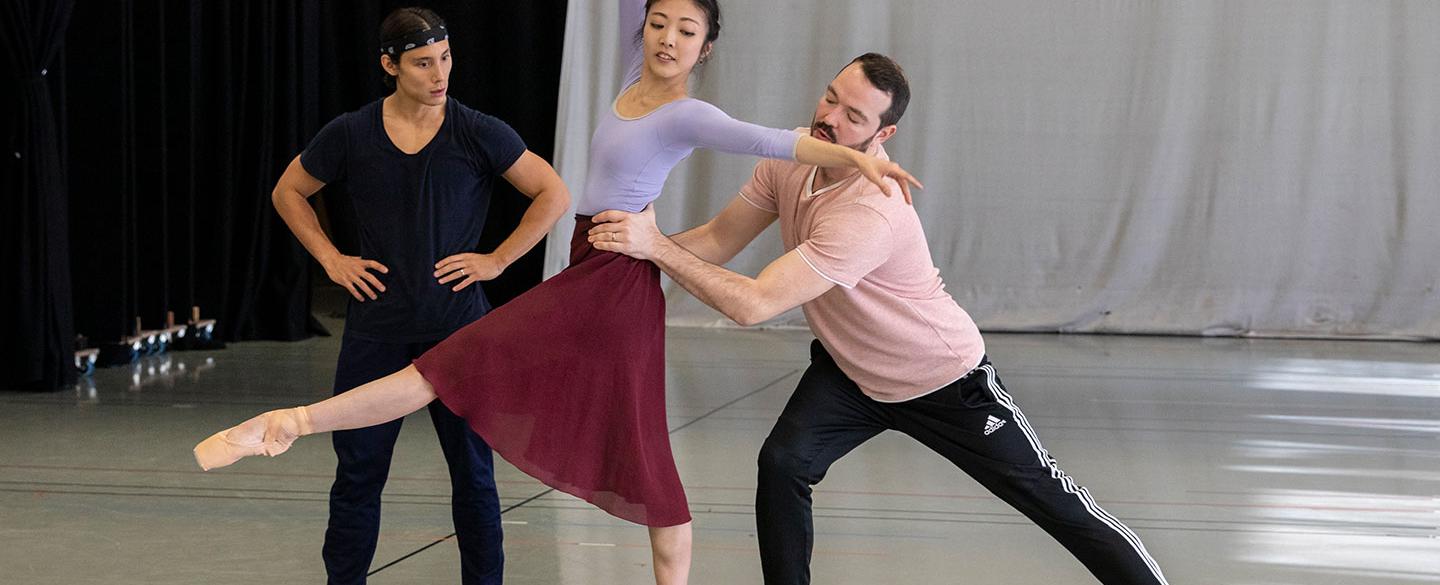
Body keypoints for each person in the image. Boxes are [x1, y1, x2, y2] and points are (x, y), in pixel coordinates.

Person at [192, 2, 920, 584]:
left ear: (707, 47)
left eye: (687, 31)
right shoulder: (635, 84)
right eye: (660, 23)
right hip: (594, 265)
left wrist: (860, 160)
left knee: (444, 371)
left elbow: (777, 142)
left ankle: (292, 422)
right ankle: (293, 423)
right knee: (637, 456)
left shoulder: (690, 114)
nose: (668, 38)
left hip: (612, 280)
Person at [586, 53, 1171, 585]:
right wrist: (629, 252)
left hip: (942, 380)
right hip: (850, 372)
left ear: (883, 134)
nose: (831, 117)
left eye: (854, 114)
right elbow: (716, 240)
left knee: (1055, 504)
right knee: (783, 465)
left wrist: (655, 248)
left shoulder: (871, 212)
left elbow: (754, 304)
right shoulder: (791, 159)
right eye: (831, 97)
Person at [261, 8, 571, 585]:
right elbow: (289, 191)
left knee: (474, 477)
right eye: (424, 63)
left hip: (460, 334)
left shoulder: (477, 129)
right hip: (376, 333)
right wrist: (331, 259)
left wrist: (497, 260)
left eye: (446, 59)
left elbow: (551, 191)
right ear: (390, 65)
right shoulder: (351, 133)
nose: (440, 74)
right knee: (358, 474)